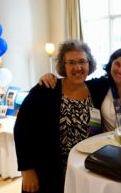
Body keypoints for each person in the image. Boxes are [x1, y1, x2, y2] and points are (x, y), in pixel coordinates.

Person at [14, 40, 101, 193]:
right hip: (50, 172)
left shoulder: (96, 89)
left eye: (82, 61)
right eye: (71, 62)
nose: (77, 68)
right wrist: (26, 169)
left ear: (89, 64)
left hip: (86, 171)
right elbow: (22, 128)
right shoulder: (47, 88)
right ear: (63, 65)